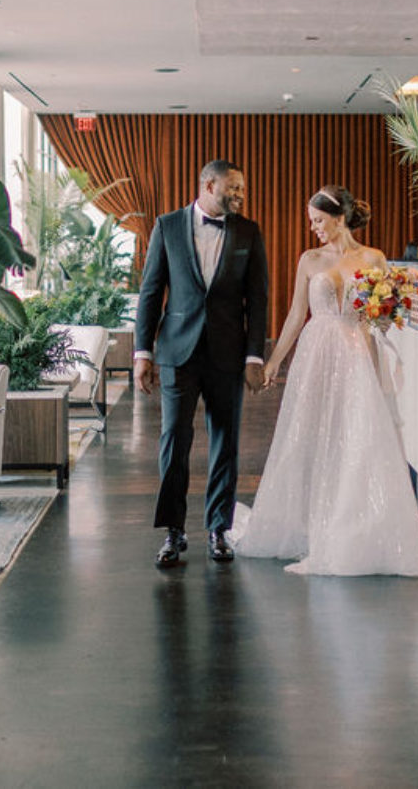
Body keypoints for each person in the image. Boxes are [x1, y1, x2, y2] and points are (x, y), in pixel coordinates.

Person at [231, 185, 418, 577]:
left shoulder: (373, 258)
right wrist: (273, 363)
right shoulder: (309, 260)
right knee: (314, 434)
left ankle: (349, 529)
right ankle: (311, 523)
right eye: (311, 221)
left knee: (356, 437)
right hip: (317, 353)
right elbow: (294, 316)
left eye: (319, 220)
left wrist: (388, 313)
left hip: (358, 352)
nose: (314, 227)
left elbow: (381, 320)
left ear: (339, 219)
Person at [133, 159, 270, 567]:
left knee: (225, 443)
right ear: (209, 185)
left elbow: (257, 299)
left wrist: (254, 355)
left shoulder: (248, 231)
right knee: (174, 442)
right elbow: (150, 292)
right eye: (234, 188)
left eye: (243, 189)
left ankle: (218, 529)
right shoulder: (167, 226)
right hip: (177, 352)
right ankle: (174, 533)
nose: (241, 195)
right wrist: (143, 353)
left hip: (228, 354)